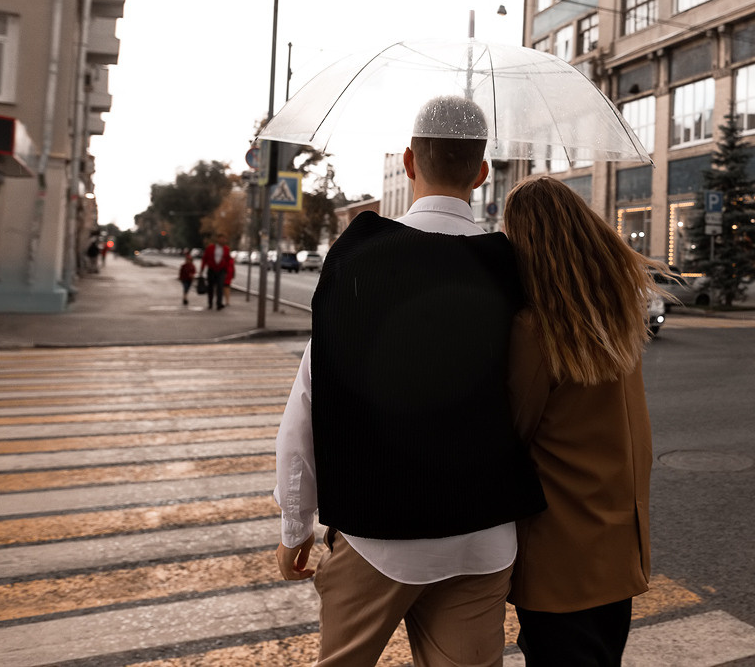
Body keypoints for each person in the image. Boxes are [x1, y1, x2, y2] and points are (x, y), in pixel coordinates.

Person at [274, 95, 544, 667]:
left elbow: (309, 402)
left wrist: (295, 524)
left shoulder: (357, 260)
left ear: (408, 162)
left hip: (377, 531)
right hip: (483, 535)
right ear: (482, 172)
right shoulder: (511, 267)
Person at [501, 175, 669, 667]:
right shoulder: (616, 313)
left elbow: (513, 432)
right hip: (619, 541)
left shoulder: (535, 329)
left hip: (562, 552)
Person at [200, 233, 231, 311]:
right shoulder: (211, 248)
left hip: (221, 270)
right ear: (218, 239)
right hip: (211, 269)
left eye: (224, 239)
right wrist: (202, 269)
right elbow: (205, 258)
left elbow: (228, 260)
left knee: (220, 287)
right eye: (221, 238)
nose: (223, 240)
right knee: (210, 287)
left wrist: (226, 270)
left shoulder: (226, 249)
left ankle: (219, 303)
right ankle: (210, 303)